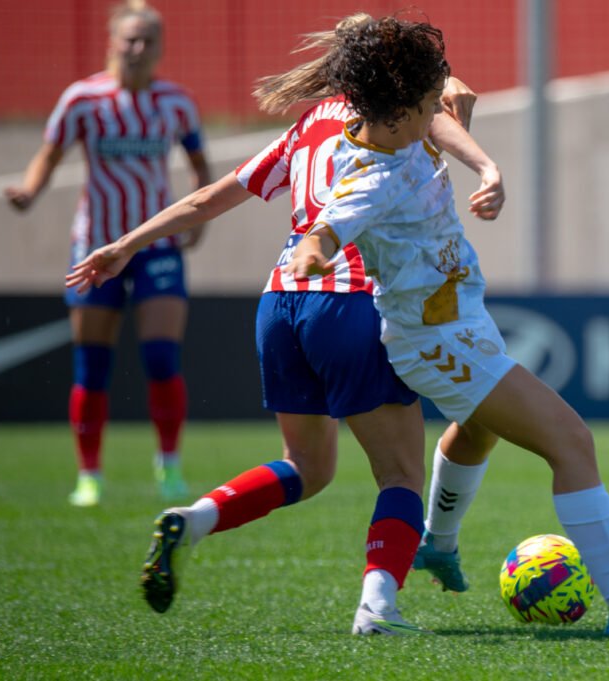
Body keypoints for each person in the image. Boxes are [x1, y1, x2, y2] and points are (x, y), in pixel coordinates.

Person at [278, 16, 609, 637]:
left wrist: (484, 164)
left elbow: (440, 116)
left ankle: (436, 543)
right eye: (430, 103)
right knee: (572, 441)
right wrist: (311, 251)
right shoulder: (373, 177)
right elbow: (329, 225)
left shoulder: (391, 130)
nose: (441, 111)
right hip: (435, 339)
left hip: (459, 322)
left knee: (478, 429)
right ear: (401, 110)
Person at [66, 14, 503, 634]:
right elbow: (438, 120)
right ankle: (379, 607)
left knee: (307, 466)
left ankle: (195, 519)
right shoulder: (389, 118)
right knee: (401, 474)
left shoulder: (309, 125)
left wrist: (125, 245)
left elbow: (208, 198)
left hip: (280, 302)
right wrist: (484, 163)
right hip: (348, 298)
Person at [6, 0, 210, 507]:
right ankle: (89, 475)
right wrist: (29, 191)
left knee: (161, 357)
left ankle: (169, 466)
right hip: (95, 247)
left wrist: (198, 219)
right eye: (129, 38)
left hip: (156, 246)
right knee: (92, 364)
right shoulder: (83, 99)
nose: (137, 48)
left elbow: (199, 164)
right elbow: (50, 153)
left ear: (159, 47)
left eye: (147, 40)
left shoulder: (176, 102)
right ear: (112, 41)